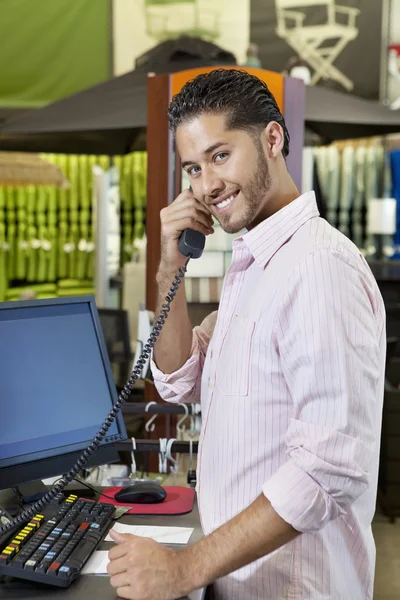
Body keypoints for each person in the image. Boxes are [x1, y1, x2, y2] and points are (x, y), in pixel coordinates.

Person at [107, 69, 386, 600]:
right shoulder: (255, 266)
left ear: (273, 139)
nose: (206, 185)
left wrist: (186, 568)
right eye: (192, 167)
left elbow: (327, 470)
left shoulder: (317, 268)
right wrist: (170, 271)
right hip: (237, 581)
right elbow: (177, 379)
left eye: (220, 155)